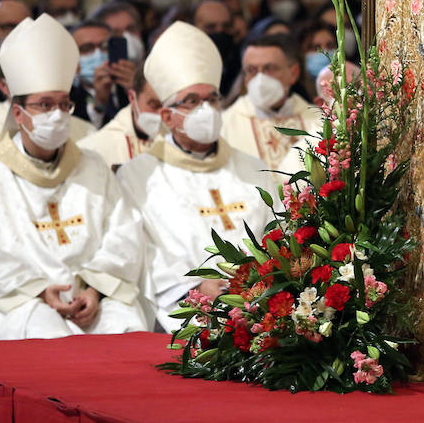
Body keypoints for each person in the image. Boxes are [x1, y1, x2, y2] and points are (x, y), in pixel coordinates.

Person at [0, 14, 147, 339]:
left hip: (92, 294)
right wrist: (41, 292)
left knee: (128, 324)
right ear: (18, 113)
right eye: (44, 105)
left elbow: (124, 233)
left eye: (63, 104)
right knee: (44, 332)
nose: (57, 115)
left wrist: (95, 288)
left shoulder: (93, 166)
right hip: (24, 300)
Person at [117, 22, 276, 331]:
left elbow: (277, 233)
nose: (206, 109)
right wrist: (196, 286)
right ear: (166, 116)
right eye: (191, 101)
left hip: (261, 305)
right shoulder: (138, 177)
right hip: (185, 307)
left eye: (212, 99)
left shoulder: (254, 169)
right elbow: (142, 252)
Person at [222, 34, 320, 173]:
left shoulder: (318, 121)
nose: (260, 78)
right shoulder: (225, 124)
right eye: (251, 70)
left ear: (293, 73)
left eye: (269, 68)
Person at [78, 64, 162, 171]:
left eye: (169, 106)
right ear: (132, 98)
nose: (162, 113)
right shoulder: (95, 149)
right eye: (155, 105)